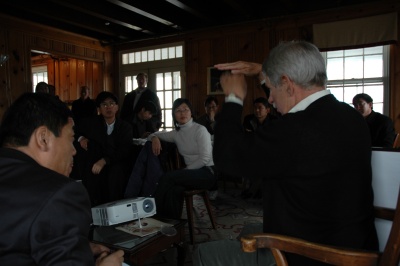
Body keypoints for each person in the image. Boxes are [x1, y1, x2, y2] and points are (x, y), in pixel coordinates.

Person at [193, 41, 378, 266]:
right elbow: (296, 126)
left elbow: (226, 156)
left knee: (204, 254)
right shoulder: (351, 118)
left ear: (287, 84)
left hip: (311, 255)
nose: (269, 99)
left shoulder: (294, 131)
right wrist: (264, 74)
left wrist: (233, 97)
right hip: (354, 246)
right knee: (248, 229)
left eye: (270, 89)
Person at [0, 92, 124, 265]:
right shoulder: (60, 194)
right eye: (70, 139)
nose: (74, 150)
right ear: (43, 138)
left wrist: (72, 247)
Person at [125, 98, 216, 219]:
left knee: (167, 178)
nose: (182, 113)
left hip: (207, 172)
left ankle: (150, 213)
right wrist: (154, 138)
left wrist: (185, 171)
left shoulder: (200, 130)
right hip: (190, 173)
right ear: (174, 114)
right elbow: (152, 134)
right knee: (174, 190)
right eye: (178, 110)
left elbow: (205, 159)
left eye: (185, 109)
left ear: (191, 112)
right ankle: (172, 224)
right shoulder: (176, 134)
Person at [74, 91, 133, 206]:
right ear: (99, 109)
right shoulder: (91, 123)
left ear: (117, 107)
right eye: (104, 105)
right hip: (95, 161)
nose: (108, 107)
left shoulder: (126, 127)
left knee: (115, 174)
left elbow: (124, 151)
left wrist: (105, 160)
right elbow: (74, 130)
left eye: (111, 104)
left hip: (115, 162)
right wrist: (81, 138)